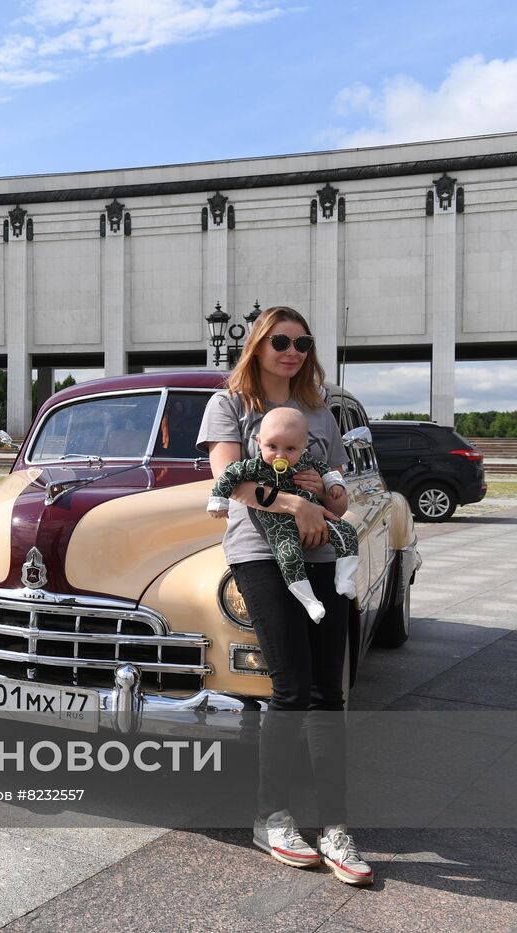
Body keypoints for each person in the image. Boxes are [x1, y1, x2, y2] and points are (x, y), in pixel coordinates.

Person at [196, 305, 374, 887]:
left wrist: (324, 492)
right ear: (257, 344)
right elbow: (230, 478)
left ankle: (337, 827)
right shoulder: (229, 404)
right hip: (259, 555)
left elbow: (339, 495)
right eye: (280, 341)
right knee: (291, 687)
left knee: (331, 691)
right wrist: (294, 503)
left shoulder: (319, 411)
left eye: (302, 341)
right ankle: (270, 815)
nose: (292, 351)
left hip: (323, 553)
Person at [208, 406, 361, 622]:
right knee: (289, 556)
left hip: (319, 532)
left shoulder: (307, 461)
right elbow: (229, 475)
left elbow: (330, 473)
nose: (280, 455)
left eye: (290, 449)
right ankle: (309, 601)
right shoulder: (256, 466)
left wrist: (331, 485)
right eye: (272, 446)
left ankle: (346, 578)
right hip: (279, 526)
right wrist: (218, 501)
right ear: (259, 442)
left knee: (346, 531)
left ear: (303, 447)